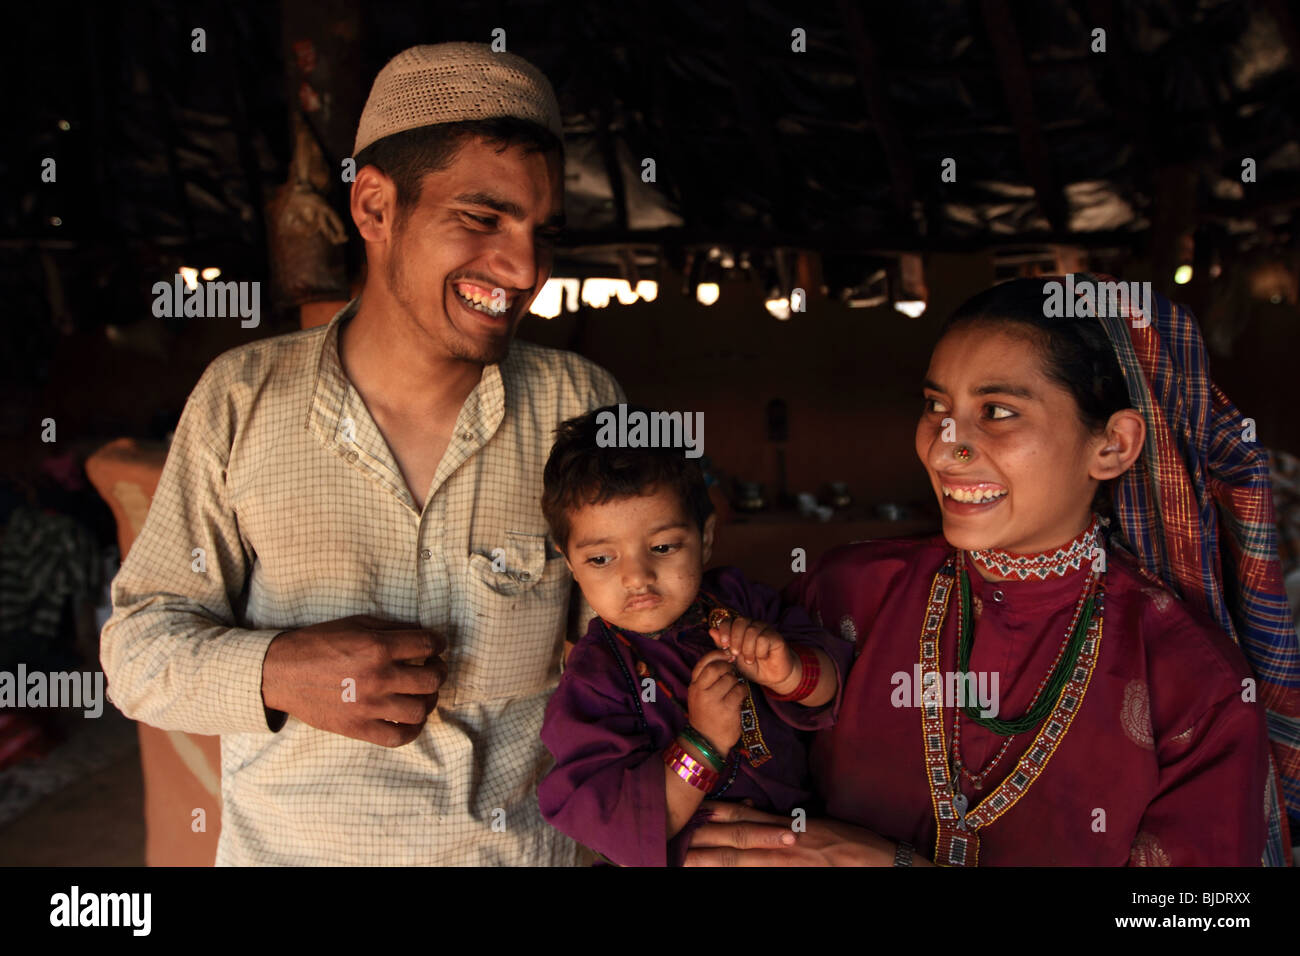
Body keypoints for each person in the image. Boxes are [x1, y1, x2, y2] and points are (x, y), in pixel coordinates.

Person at [100, 43, 623, 865]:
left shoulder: (578, 406)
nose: (523, 269)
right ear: (376, 208)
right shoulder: (242, 400)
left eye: (540, 232)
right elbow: (136, 652)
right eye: (482, 219)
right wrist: (276, 670)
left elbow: (632, 648)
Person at [686, 275, 1299, 866]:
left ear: (1112, 445)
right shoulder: (847, 593)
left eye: (998, 410)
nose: (945, 444)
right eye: (935, 405)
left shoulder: (1194, 682)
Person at [536, 406, 854, 865]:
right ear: (571, 566)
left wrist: (788, 672)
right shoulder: (594, 678)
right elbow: (618, 821)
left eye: (662, 547)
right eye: (601, 559)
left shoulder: (742, 601)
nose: (637, 577)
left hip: (808, 843)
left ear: (704, 538)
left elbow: (834, 680)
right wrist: (704, 740)